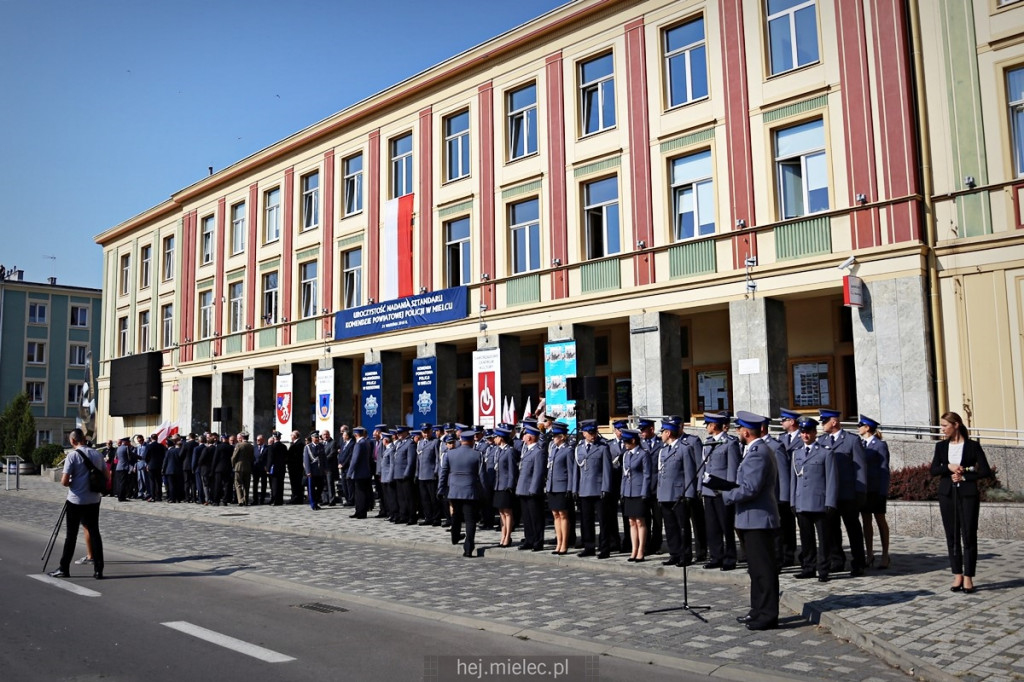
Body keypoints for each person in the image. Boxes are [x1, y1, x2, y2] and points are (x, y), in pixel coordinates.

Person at [720, 411, 780, 631]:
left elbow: (750, 488)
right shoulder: (754, 450)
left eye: (739, 429)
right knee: (755, 570)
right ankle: (757, 610)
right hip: (749, 519)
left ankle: (768, 615)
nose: (738, 432)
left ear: (745, 431)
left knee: (763, 570)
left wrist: (725, 494)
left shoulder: (758, 452)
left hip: (758, 520)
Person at [931, 411, 991, 594]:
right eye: (941, 426)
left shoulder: (973, 446)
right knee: (952, 535)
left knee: (969, 535)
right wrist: (948, 467)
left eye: (944, 425)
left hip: (967, 494)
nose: (942, 429)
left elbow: (985, 470)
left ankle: (968, 577)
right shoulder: (941, 446)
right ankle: (957, 573)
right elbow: (933, 470)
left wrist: (964, 476)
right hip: (947, 494)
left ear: (956, 425)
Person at [49, 428, 108, 580]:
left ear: (73, 441)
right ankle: (98, 570)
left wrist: (73, 482)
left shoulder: (72, 456)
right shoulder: (97, 454)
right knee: (95, 532)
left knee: (71, 535)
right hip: (94, 499)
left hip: (76, 499)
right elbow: (106, 475)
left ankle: (64, 568)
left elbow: (64, 481)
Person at [818, 409, 867, 577]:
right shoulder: (822, 440)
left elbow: (860, 467)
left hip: (848, 494)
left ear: (834, 422)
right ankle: (837, 561)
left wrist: (860, 492)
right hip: (829, 494)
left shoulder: (852, 440)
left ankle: (858, 563)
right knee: (831, 529)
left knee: (853, 529)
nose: (821, 425)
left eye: (824, 421)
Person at [790, 417, 837, 582]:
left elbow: (831, 479)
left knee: (823, 539)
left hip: (819, 502)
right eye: (802, 432)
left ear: (815, 433)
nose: (805, 435)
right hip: (801, 502)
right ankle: (808, 567)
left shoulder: (825, 452)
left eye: (808, 432)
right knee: (806, 538)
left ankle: (824, 569)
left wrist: (830, 501)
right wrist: (792, 501)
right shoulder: (796, 453)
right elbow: (793, 480)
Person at [438, 430, 487, 558]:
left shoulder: (450, 453)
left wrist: (441, 489)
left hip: (454, 490)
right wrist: (485, 492)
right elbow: (482, 476)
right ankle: (468, 548)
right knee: (470, 520)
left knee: (456, 515)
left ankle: (454, 537)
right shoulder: (477, 454)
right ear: (472, 441)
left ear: (461, 440)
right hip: (470, 491)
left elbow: (443, 473)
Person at [701, 412, 740, 570]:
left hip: (722, 492)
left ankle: (730, 558)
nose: (707, 428)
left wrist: (729, 491)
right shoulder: (708, 442)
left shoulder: (730, 443)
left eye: (708, 425)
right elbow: (704, 467)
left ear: (714, 426)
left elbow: (732, 470)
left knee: (726, 526)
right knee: (712, 527)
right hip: (709, 491)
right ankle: (716, 556)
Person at [656, 419, 696, 567]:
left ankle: (685, 555)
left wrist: (689, 494)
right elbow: (661, 474)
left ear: (668, 433)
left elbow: (689, 473)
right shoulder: (663, 450)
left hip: (679, 494)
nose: (660, 435)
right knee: (670, 526)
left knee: (682, 526)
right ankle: (674, 554)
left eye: (662, 432)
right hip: (665, 493)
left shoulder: (684, 449)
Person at [573, 420, 613, 558]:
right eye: (590, 433)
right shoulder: (579, 448)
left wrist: (606, 488)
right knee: (586, 521)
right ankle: (588, 546)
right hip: (584, 489)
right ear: (584, 433)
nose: (593, 435)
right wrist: (575, 488)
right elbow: (576, 471)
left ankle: (604, 548)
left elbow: (607, 470)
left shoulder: (602, 447)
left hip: (598, 488)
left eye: (594, 432)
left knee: (603, 521)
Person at [858, 415, 891, 569]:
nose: (859, 428)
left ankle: (885, 554)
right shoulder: (861, 444)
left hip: (876, 489)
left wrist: (883, 491)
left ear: (867, 428)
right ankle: (869, 553)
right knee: (866, 521)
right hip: (865, 489)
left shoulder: (879, 445)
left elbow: (884, 468)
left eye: (861, 425)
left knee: (880, 520)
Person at [619, 429, 650, 562]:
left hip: (639, 492)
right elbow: (624, 475)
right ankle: (634, 549)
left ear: (633, 441)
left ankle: (641, 550)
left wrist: (644, 492)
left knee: (639, 521)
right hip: (628, 492)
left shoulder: (643, 454)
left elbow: (647, 475)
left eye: (626, 441)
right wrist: (622, 491)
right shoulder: (626, 455)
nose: (624, 444)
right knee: (631, 521)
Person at [516, 424, 546, 551]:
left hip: (532, 490)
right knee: (527, 518)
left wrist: (533, 489)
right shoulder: (527, 450)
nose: (523, 436)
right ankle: (529, 539)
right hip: (523, 489)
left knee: (536, 518)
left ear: (531, 437)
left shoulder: (538, 452)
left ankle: (537, 541)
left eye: (525, 434)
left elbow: (538, 473)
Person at [491, 426, 518, 548]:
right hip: (498, 484)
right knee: (501, 512)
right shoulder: (498, 450)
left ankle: (508, 536)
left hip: (506, 485)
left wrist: (510, 485)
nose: (494, 439)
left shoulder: (509, 451)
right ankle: (503, 535)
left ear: (501, 438)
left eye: (496, 437)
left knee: (507, 512)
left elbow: (512, 470)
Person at [347, 426, 373, 518]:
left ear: (356, 434)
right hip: (365, 472)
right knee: (363, 493)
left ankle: (360, 512)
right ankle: (360, 511)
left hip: (359, 473)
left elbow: (354, 460)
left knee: (360, 493)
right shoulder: (366, 442)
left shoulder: (359, 444)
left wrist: (349, 473)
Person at [232, 432, 254, 505]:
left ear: (242, 437)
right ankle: (246, 500)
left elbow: (234, 457)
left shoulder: (239, 445)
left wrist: (233, 465)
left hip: (238, 467)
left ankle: (240, 500)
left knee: (238, 484)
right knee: (246, 485)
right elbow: (252, 457)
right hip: (248, 467)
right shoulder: (251, 446)